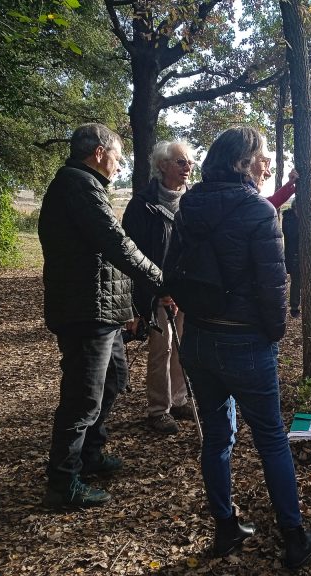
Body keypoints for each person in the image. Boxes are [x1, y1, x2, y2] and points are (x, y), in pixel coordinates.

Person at [165, 127, 311, 569]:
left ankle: (225, 527)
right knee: (271, 438)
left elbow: (175, 268)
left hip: (198, 339)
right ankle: (293, 535)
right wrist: (273, 336)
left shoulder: (190, 203)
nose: (265, 163)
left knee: (216, 437)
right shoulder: (257, 211)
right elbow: (274, 288)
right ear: (242, 162)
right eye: (261, 156)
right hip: (246, 341)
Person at [38, 123, 171, 508]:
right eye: (117, 156)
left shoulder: (85, 185)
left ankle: (90, 455)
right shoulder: (77, 184)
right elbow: (117, 244)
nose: (119, 164)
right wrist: (161, 280)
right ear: (99, 152)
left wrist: (129, 306)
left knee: (114, 379)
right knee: (83, 398)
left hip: (103, 308)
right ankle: (63, 485)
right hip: (85, 310)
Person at [123, 140, 196, 435]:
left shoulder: (194, 201)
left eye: (190, 162)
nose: (187, 167)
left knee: (184, 348)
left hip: (188, 288)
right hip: (155, 289)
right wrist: (154, 291)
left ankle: (178, 400)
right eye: (181, 162)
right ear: (163, 165)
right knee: (161, 349)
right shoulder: (142, 205)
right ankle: (158, 410)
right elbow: (130, 254)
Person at [282, 199, 301, 317]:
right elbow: (291, 235)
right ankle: (294, 308)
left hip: (301, 254)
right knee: (296, 282)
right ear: (295, 208)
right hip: (292, 254)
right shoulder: (288, 219)